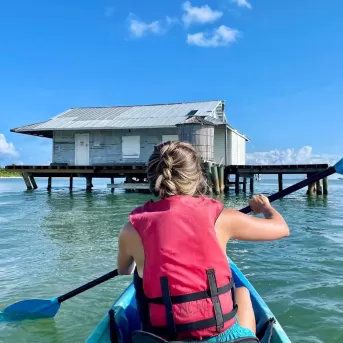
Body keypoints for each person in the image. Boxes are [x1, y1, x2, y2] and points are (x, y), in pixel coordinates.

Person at [117, 141, 290, 342]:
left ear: (153, 177)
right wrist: (264, 208)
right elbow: (282, 229)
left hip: (159, 338)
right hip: (220, 336)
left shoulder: (132, 229)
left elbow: (124, 270)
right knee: (241, 292)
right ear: (198, 176)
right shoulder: (222, 219)